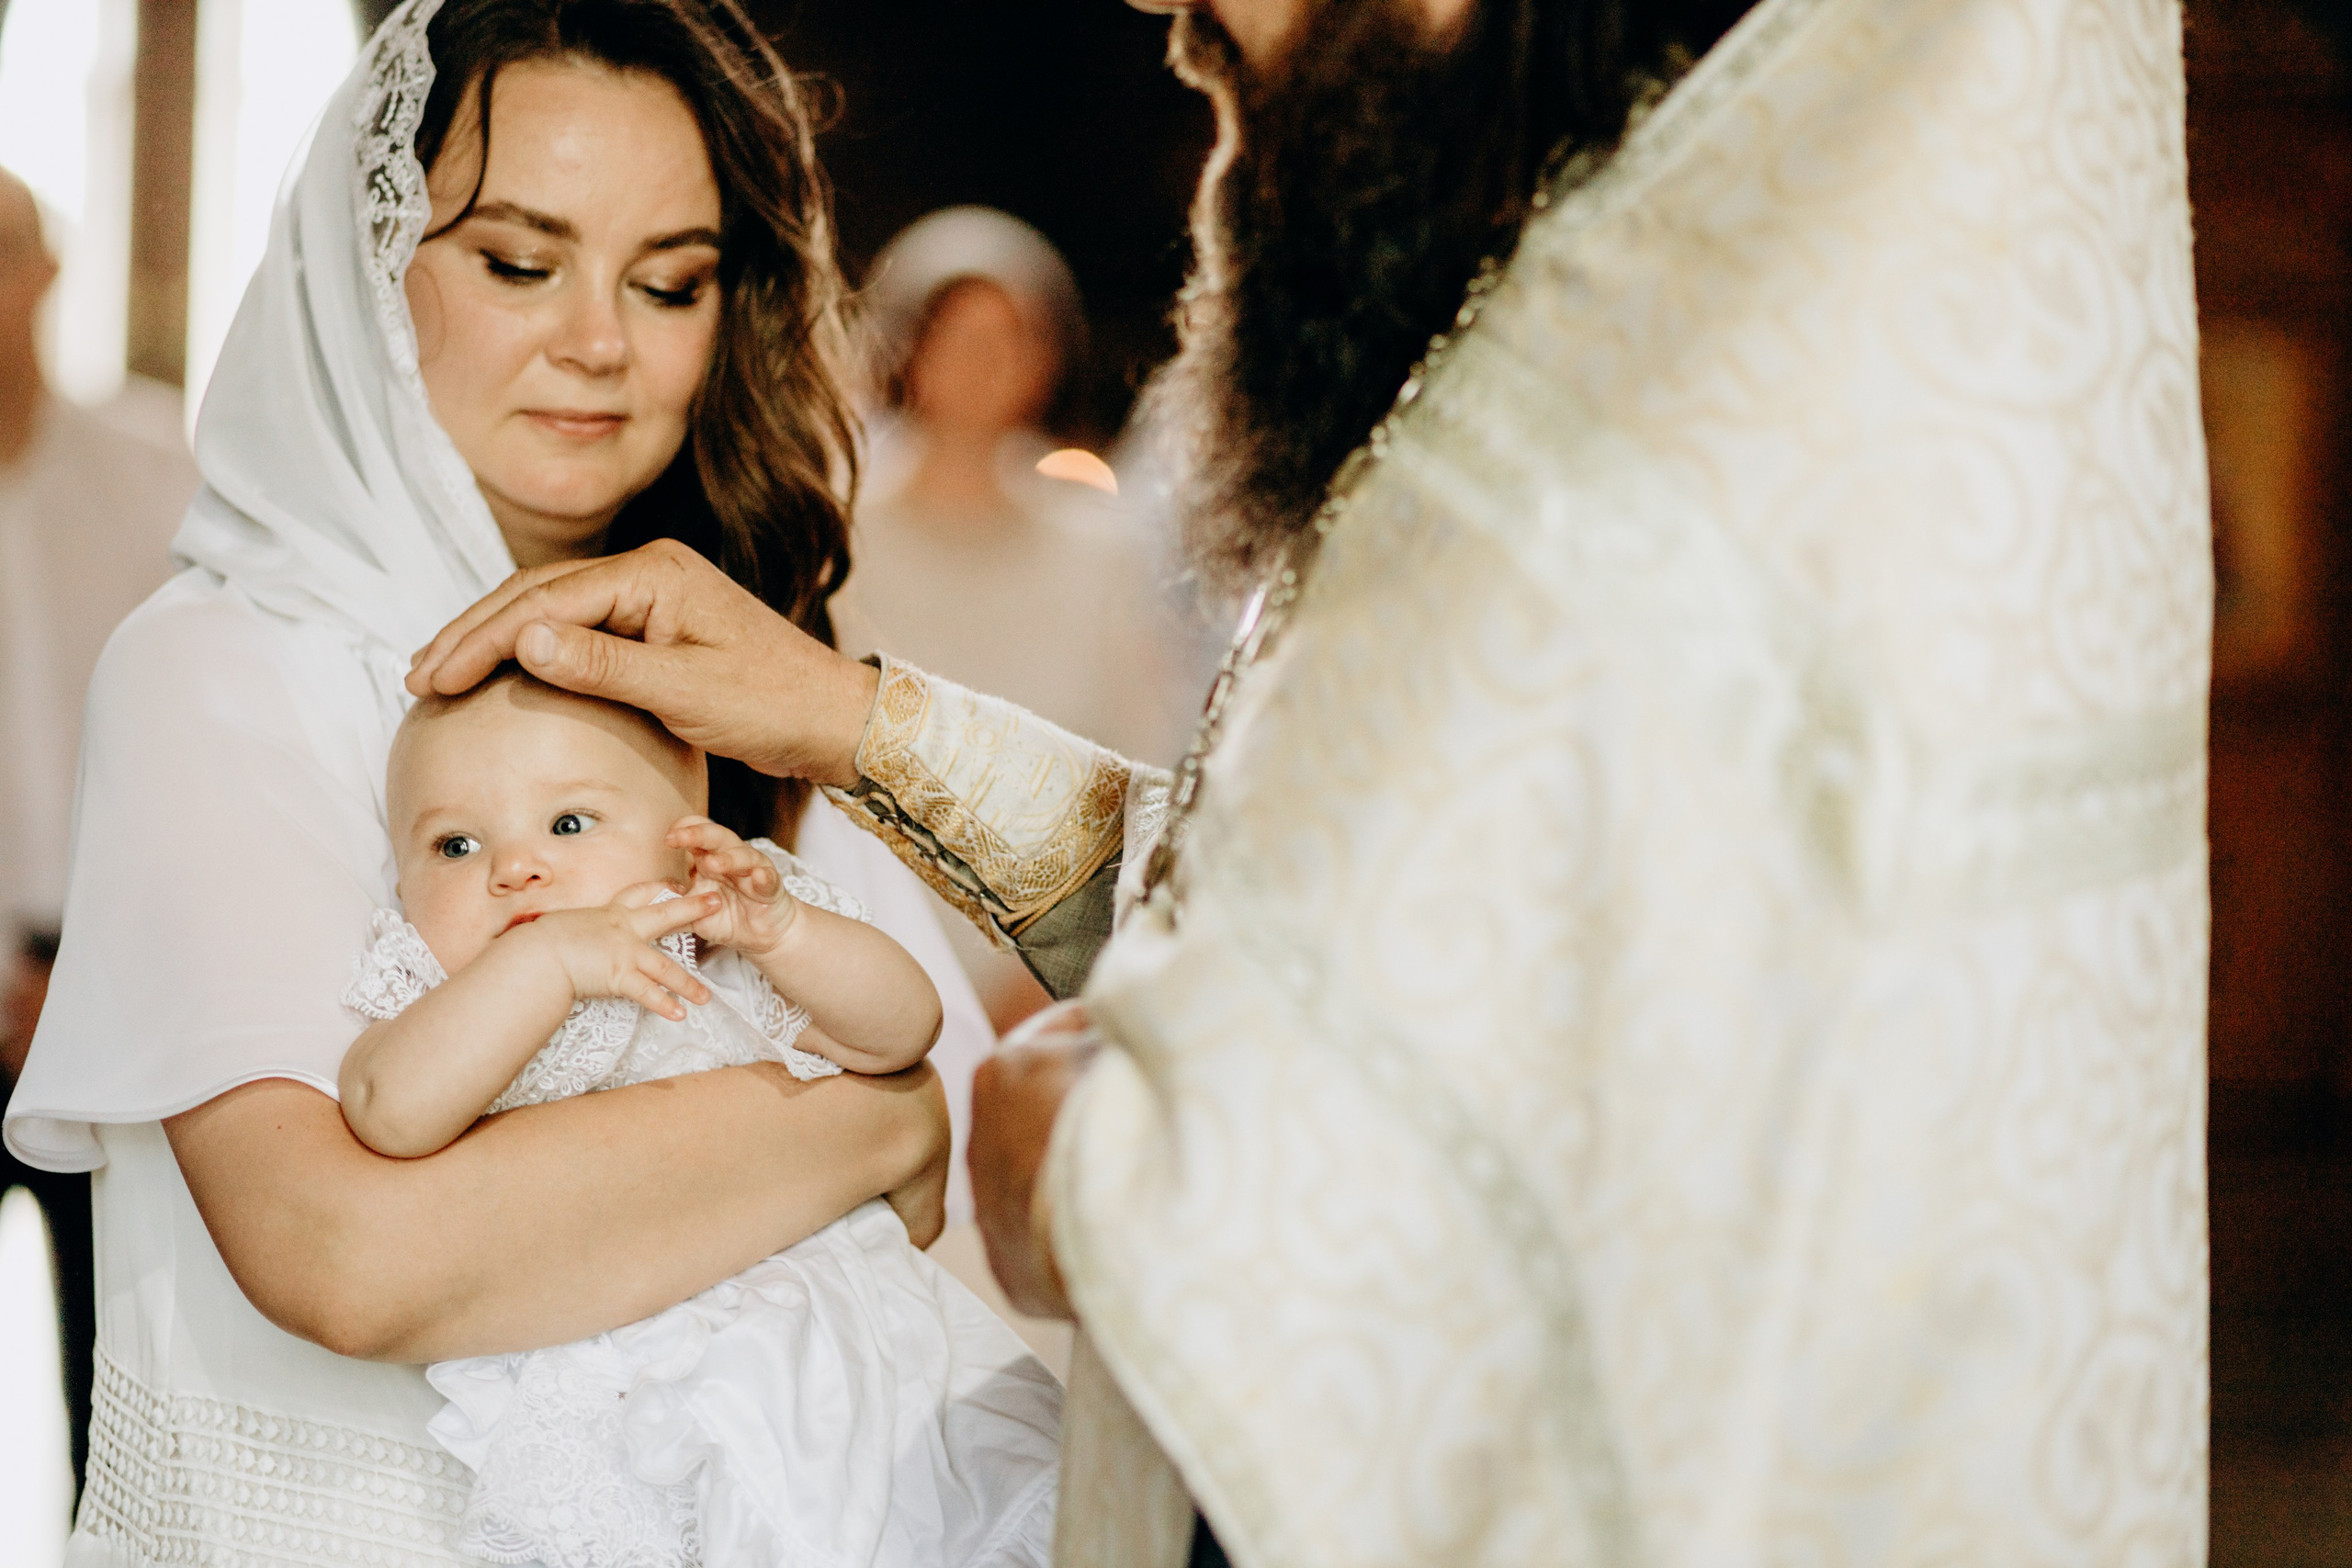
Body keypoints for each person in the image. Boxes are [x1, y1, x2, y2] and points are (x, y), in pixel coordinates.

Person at [413, 0, 2211, 1561]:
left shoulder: (1697, 460)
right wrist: (852, 719)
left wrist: (1068, 1149)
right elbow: (1302, 891)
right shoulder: (1607, 362)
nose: (1168, 8)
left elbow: (1406, 1181)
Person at [0, 4, 1004, 1563]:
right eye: (522, 263)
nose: (599, 342)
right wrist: (866, 1130)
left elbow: (956, 1151)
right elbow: (345, 1252)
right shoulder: (219, 663)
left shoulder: (749, 666)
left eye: (668, 281)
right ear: (368, 264)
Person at [342, 671, 1058, 1568]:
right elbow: (386, 1108)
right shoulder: (453, 1008)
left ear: (684, 861)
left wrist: (786, 935)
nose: (513, 867)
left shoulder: (719, 960)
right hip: (635, 1408)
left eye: (569, 824)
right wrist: (547, 964)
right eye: (454, 845)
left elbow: (902, 1031)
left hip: (847, 1368)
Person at [0, 164, 198, 1506]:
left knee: (123, 1388)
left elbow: (200, 743)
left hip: (120, 984)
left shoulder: (153, 470)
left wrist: (95, 962)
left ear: (49, 268)